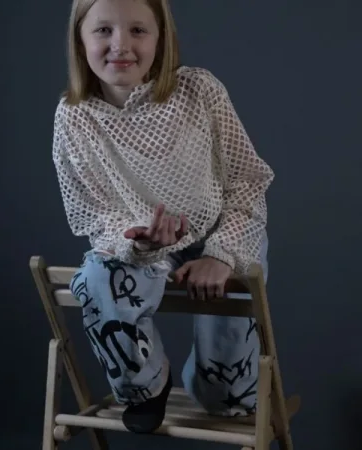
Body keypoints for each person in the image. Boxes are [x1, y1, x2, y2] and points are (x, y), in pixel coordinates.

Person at [51, 0, 275, 434]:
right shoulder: (74, 116)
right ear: (80, 40)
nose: (121, 45)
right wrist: (137, 241)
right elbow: (95, 214)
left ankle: (215, 383)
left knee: (226, 398)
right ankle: (145, 385)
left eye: (138, 30)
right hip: (142, 247)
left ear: (161, 38)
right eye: (103, 30)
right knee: (96, 275)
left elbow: (247, 182)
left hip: (219, 234)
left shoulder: (198, 90)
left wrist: (221, 254)